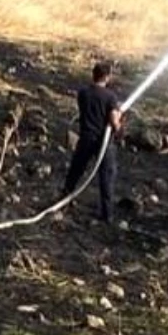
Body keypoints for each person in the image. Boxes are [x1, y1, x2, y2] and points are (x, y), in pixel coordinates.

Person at [62, 62, 123, 224]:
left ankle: (63, 201)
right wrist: (118, 118)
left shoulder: (83, 93)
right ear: (107, 77)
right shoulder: (110, 97)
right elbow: (114, 124)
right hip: (103, 142)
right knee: (106, 177)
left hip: (86, 138)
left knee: (75, 170)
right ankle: (107, 214)